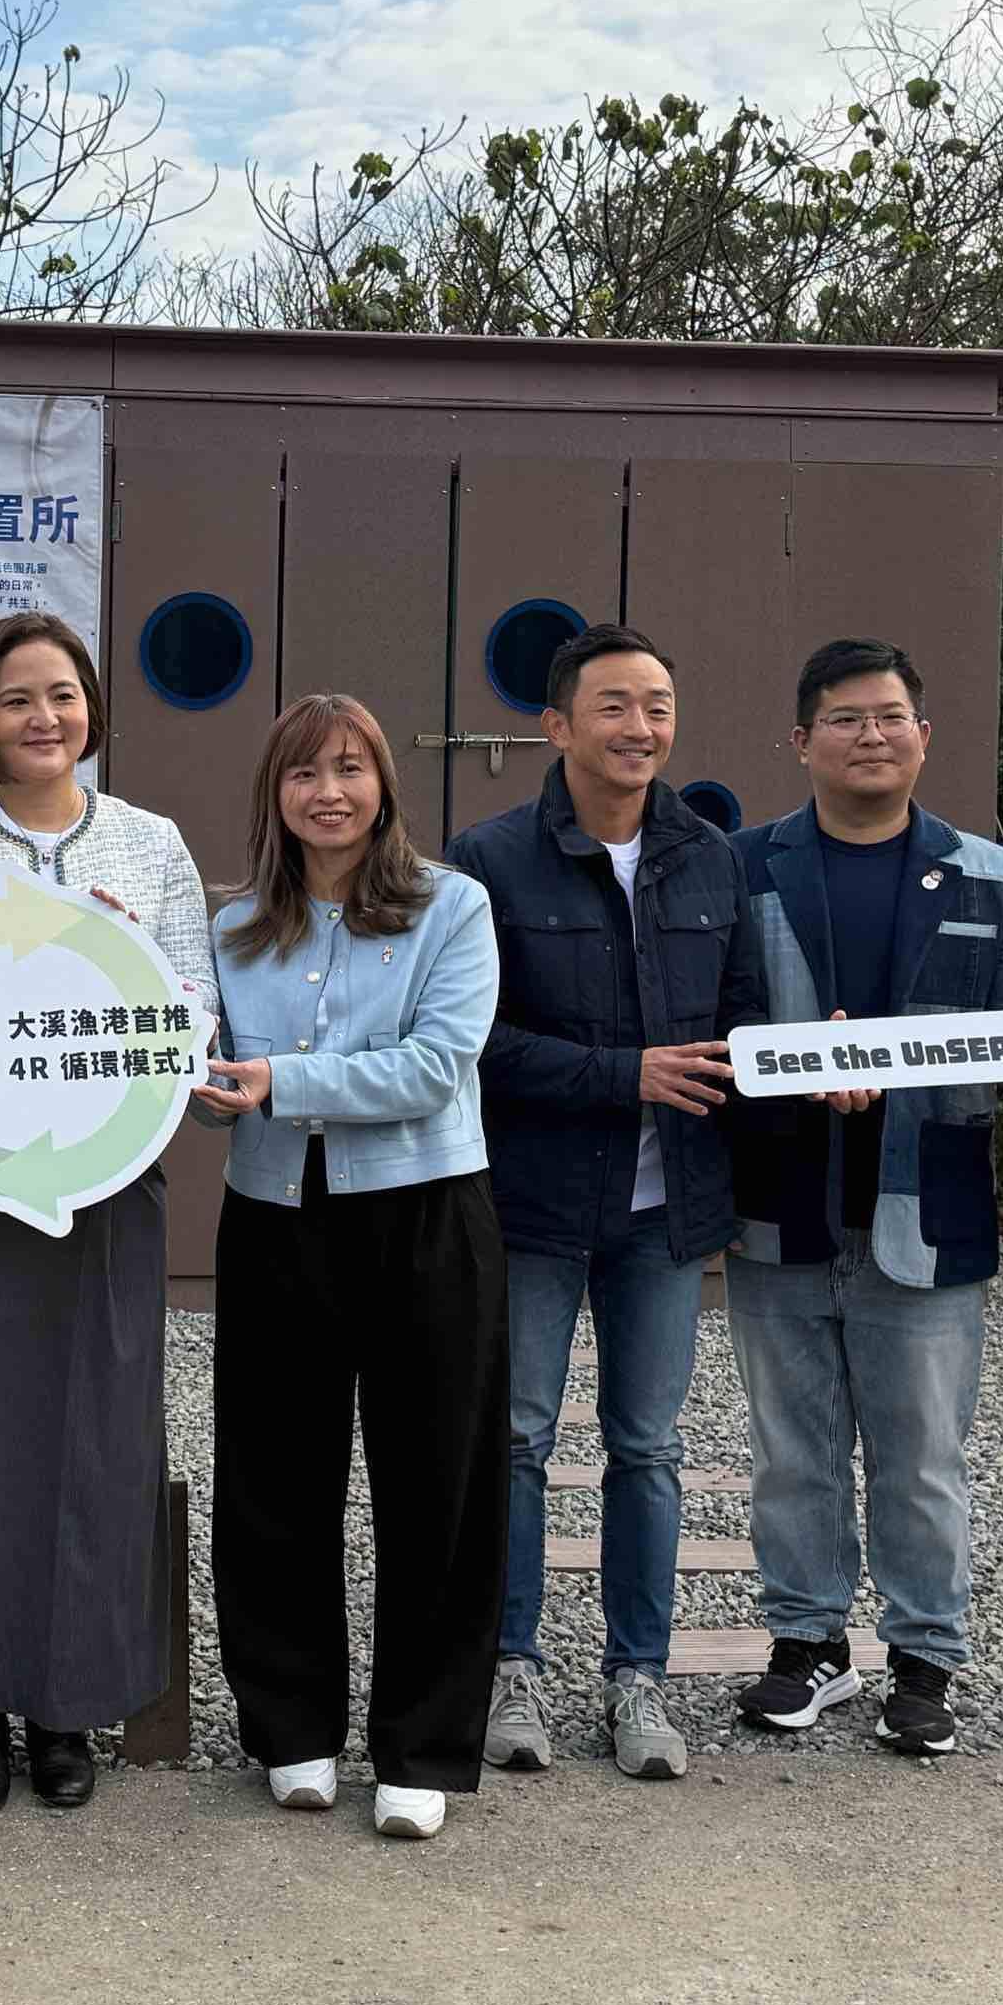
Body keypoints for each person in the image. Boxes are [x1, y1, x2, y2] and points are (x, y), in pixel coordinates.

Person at [720, 639, 1003, 1758]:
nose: (870, 736)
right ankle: (807, 1643)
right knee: (792, 1452)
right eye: (844, 718)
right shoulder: (742, 869)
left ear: (924, 736)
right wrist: (793, 1057)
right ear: (801, 742)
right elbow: (712, 1019)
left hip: (927, 1210)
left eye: (890, 716)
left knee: (922, 1457)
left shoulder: (991, 876)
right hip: (779, 1203)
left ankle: (924, 1659)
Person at [0, 611, 215, 1816]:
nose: (44, 717)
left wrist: (125, 967)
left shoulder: (151, 841)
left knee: (96, 1442)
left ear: (91, 708)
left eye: (62, 694)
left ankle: (69, 1703)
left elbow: (192, 1017)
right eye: (18, 697)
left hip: (106, 1184)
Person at [441, 621, 762, 1785]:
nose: (640, 727)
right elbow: (470, 1040)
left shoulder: (709, 857)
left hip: (664, 1212)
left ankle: (639, 1676)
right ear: (556, 725)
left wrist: (803, 1054)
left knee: (649, 1446)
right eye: (615, 705)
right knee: (517, 1440)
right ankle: (510, 1666)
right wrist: (619, 1073)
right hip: (531, 1203)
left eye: (658, 705)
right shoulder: (488, 858)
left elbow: (742, 1023)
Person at [196, 695, 509, 1840]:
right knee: (273, 1478)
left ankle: (422, 1746)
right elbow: (207, 1083)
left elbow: (434, 1065)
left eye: (348, 770)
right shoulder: (233, 925)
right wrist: (184, 1074)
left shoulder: (450, 906)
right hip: (274, 1216)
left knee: (438, 1483)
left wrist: (279, 1080)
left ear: (383, 786)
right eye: (302, 774)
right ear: (273, 795)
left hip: (426, 1215)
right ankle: (292, 1728)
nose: (326, 793)